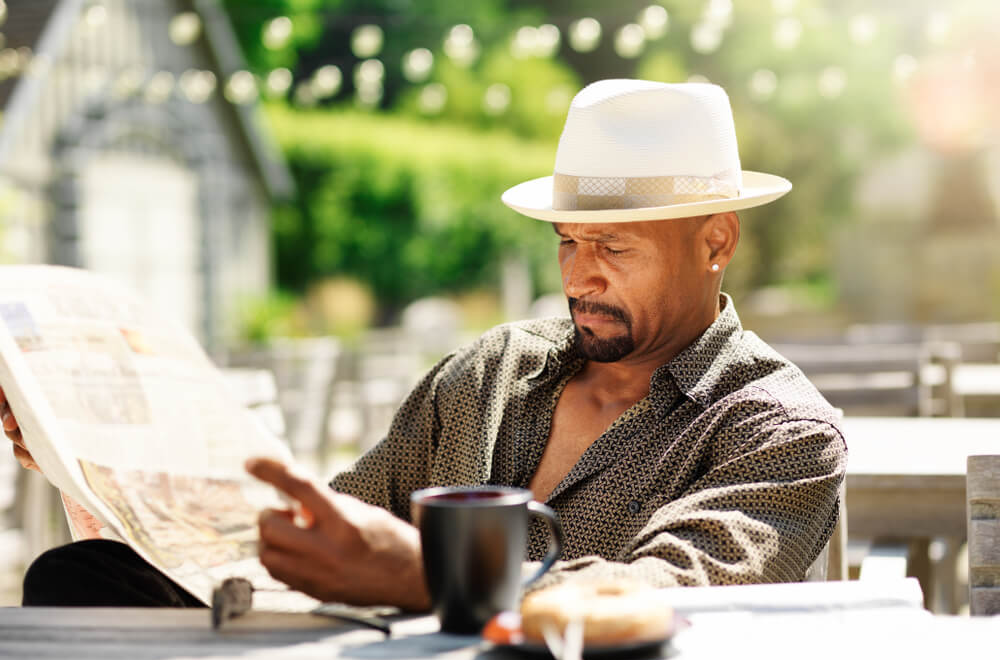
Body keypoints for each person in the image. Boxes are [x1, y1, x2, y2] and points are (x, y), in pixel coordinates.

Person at [3, 80, 846, 609]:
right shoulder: (493, 369)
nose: (580, 275)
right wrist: (108, 466)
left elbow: (671, 597)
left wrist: (426, 578)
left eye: (615, 247)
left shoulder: (779, 430)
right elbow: (343, 515)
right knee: (80, 579)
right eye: (567, 241)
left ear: (715, 241)